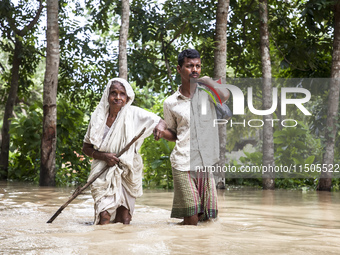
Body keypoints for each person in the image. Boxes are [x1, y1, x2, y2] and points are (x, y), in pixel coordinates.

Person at [157, 49, 230, 225]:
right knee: (191, 217)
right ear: (179, 69)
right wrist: (160, 128)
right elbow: (174, 133)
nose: (194, 69)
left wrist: (207, 81)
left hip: (205, 163)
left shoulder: (208, 94)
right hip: (183, 162)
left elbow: (225, 95)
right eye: (189, 66)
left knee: (208, 218)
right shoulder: (171, 102)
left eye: (197, 66)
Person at [82, 77, 166, 225]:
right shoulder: (98, 117)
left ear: (127, 98)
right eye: (114, 93)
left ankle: (120, 247)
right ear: (107, 96)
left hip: (127, 170)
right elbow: (86, 148)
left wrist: (160, 126)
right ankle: (99, 247)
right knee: (104, 216)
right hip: (103, 170)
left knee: (124, 219)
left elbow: (160, 121)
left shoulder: (133, 114)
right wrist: (104, 156)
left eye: (122, 94)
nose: (118, 97)